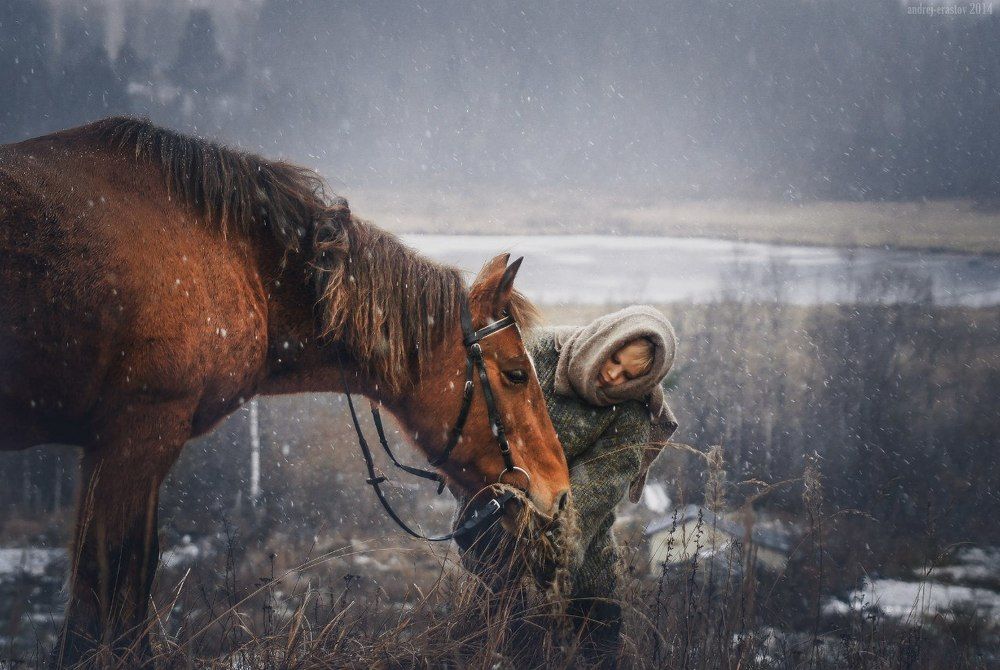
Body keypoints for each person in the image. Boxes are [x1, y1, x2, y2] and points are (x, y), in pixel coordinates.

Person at [526, 305, 678, 664]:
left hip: (580, 564)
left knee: (595, 650)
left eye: (628, 376)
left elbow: (589, 497)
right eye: (614, 359)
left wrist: (549, 563)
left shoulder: (631, 415)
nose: (612, 376)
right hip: (497, 513)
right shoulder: (537, 352)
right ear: (606, 340)